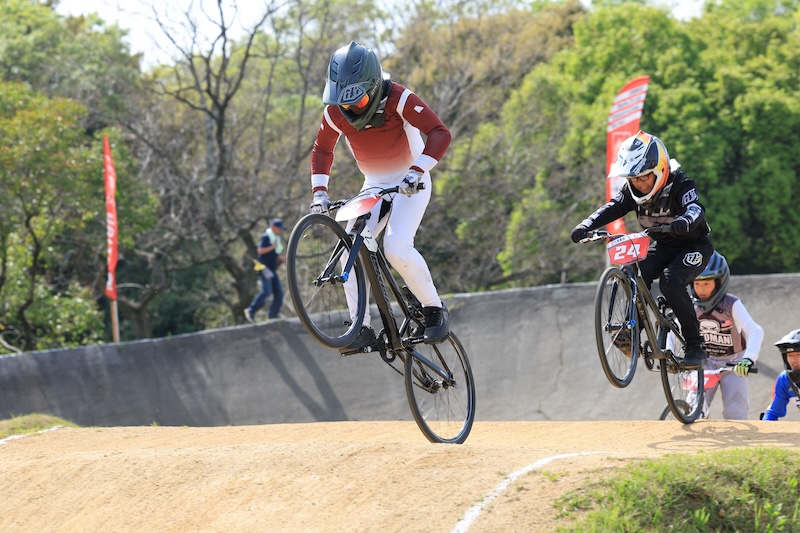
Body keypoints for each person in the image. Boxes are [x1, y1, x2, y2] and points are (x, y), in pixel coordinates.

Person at [309, 41, 451, 350]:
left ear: (373, 87)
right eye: (344, 102)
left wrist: (417, 170)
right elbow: (322, 150)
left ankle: (434, 307)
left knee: (397, 247)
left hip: (412, 180)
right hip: (373, 183)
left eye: (357, 101)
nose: (350, 108)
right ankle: (360, 327)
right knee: (349, 249)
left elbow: (440, 133)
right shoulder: (335, 112)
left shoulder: (399, 98)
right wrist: (320, 194)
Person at [570, 130, 714, 368]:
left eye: (645, 177)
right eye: (634, 179)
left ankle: (695, 344)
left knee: (671, 282)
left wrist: (684, 222)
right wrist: (586, 225)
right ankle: (632, 329)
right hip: (663, 246)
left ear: (659, 170)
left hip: (693, 246)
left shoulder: (680, 183)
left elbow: (696, 209)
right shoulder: (632, 191)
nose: (639, 183)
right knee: (633, 272)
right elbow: (612, 207)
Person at [690, 251, 763, 419]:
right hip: (704, 361)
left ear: (719, 282)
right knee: (694, 407)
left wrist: (748, 358)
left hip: (734, 363)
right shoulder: (689, 304)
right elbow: (674, 330)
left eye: (706, 284)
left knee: (735, 410)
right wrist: (670, 352)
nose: (701, 290)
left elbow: (755, 330)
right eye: (697, 284)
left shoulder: (732, 304)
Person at [244, 219, 285, 322]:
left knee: (279, 293)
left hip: (272, 270)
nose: (280, 231)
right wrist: (272, 247)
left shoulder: (275, 238)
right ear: (273, 228)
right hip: (264, 269)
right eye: (279, 228)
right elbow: (260, 250)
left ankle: (273, 316)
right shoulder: (266, 237)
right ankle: (251, 310)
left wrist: (279, 258)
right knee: (267, 291)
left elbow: (271, 255)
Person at [761, 329, 800, 421]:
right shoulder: (785, 379)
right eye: (790, 355)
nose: (793, 360)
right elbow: (773, 413)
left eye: (798, 354)